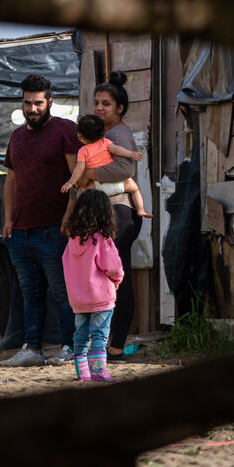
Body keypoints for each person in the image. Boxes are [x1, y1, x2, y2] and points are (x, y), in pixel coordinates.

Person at [1, 74, 83, 367]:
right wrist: (8, 220)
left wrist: (68, 217)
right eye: (27, 103)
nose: (32, 109)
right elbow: (10, 181)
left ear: (50, 102)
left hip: (55, 229)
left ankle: (71, 347)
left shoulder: (65, 130)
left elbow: (79, 178)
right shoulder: (17, 137)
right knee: (30, 292)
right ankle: (32, 349)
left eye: (38, 103)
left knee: (62, 291)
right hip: (20, 231)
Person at [81, 71, 143, 363]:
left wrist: (90, 174)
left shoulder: (119, 134)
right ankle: (112, 347)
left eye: (106, 103)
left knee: (117, 282)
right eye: (96, 102)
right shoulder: (102, 135)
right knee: (113, 280)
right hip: (113, 213)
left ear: (119, 108)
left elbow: (126, 170)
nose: (99, 108)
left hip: (122, 213)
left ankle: (115, 347)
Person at [61, 189, 124, 382]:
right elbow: (113, 268)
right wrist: (117, 281)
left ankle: (83, 374)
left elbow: (66, 263)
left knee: (80, 336)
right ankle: (98, 373)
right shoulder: (102, 240)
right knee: (99, 336)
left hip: (79, 299)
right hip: (101, 298)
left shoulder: (72, 240)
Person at [61, 114, 153, 219]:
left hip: (98, 186)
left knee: (83, 193)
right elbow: (118, 150)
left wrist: (70, 182)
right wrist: (131, 154)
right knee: (135, 188)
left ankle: (85, 217)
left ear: (80, 137)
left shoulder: (83, 151)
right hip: (117, 184)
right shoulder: (105, 142)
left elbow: (79, 169)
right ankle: (141, 210)